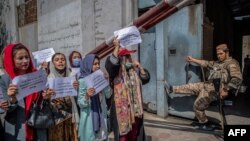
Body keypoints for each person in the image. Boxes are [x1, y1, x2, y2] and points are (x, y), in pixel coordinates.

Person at [165, 44, 242, 130]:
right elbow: (205, 63)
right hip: (207, 85)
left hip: (215, 90)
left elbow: (237, 78)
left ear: (227, 52)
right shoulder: (217, 63)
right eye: (217, 54)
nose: (219, 56)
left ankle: (204, 123)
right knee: (190, 87)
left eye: (221, 54)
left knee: (197, 106)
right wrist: (193, 60)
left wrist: (226, 89)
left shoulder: (232, 63)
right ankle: (171, 89)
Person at [2, 43, 53, 141]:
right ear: (11, 60)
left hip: (37, 125)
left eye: (27, 57)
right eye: (20, 58)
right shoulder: (4, 80)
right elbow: (5, 110)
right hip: (18, 129)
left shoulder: (37, 75)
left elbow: (42, 103)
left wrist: (46, 97)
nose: (25, 61)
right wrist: (12, 99)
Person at [105, 37, 150, 141]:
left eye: (129, 56)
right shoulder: (115, 73)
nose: (129, 59)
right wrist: (116, 47)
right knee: (123, 136)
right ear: (121, 59)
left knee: (135, 133)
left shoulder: (134, 71)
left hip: (135, 112)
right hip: (122, 112)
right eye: (126, 57)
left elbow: (146, 79)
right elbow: (111, 66)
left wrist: (140, 68)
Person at [77, 54, 111, 141]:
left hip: (101, 115)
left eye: (98, 63)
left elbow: (108, 95)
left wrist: (107, 82)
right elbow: (80, 103)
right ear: (88, 64)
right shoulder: (82, 81)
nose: (98, 66)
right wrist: (87, 96)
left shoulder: (100, 77)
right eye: (95, 64)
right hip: (89, 118)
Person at [47, 52, 79, 141]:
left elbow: (77, 98)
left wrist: (76, 88)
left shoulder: (71, 76)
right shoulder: (49, 78)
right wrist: (48, 95)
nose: (60, 62)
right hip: (57, 118)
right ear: (53, 63)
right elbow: (47, 100)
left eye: (62, 59)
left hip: (71, 114)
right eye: (57, 60)